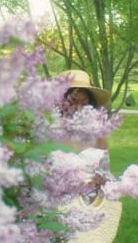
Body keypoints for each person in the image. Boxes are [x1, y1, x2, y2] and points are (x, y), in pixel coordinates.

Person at [57, 70, 121, 243]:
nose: (78, 108)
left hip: (90, 207)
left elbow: (106, 171)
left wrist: (101, 177)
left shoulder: (98, 134)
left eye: (84, 103)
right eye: (74, 102)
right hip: (57, 209)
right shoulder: (49, 133)